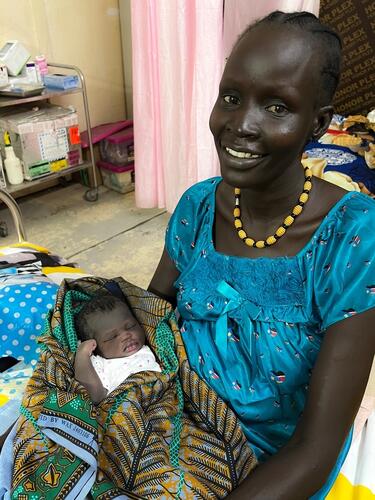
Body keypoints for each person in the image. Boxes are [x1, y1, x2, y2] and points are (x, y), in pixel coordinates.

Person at [149, 11, 375, 499]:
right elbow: (152, 325)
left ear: (317, 123)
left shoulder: (354, 238)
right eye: (231, 98)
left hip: (277, 466)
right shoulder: (197, 207)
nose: (241, 126)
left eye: (277, 107)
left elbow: (315, 449)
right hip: (178, 430)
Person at [74, 294, 161, 403]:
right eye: (112, 337)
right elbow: (94, 396)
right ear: (95, 347)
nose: (126, 335)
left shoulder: (156, 345)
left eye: (131, 326)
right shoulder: (100, 364)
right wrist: (82, 355)